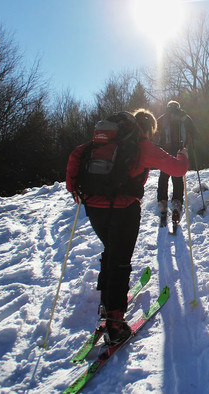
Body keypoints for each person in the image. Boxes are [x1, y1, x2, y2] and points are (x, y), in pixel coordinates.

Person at [65, 109, 189, 345]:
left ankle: (106, 302)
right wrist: (184, 155)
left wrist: (74, 188)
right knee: (121, 260)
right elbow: (177, 169)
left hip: (93, 206)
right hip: (123, 209)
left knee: (111, 250)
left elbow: (76, 155)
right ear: (148, 128)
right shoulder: (140, 144)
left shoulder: (103, 141)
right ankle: (115, 322)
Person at [154, 100, 198, 228]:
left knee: (163, 178)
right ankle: (177, 205)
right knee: (177, 178)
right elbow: (195, 133)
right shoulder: (185, 117)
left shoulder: (162, 118)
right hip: (180, 151)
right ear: (179, 107)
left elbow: (154, 132)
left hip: (165, 152)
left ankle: (162, 204)